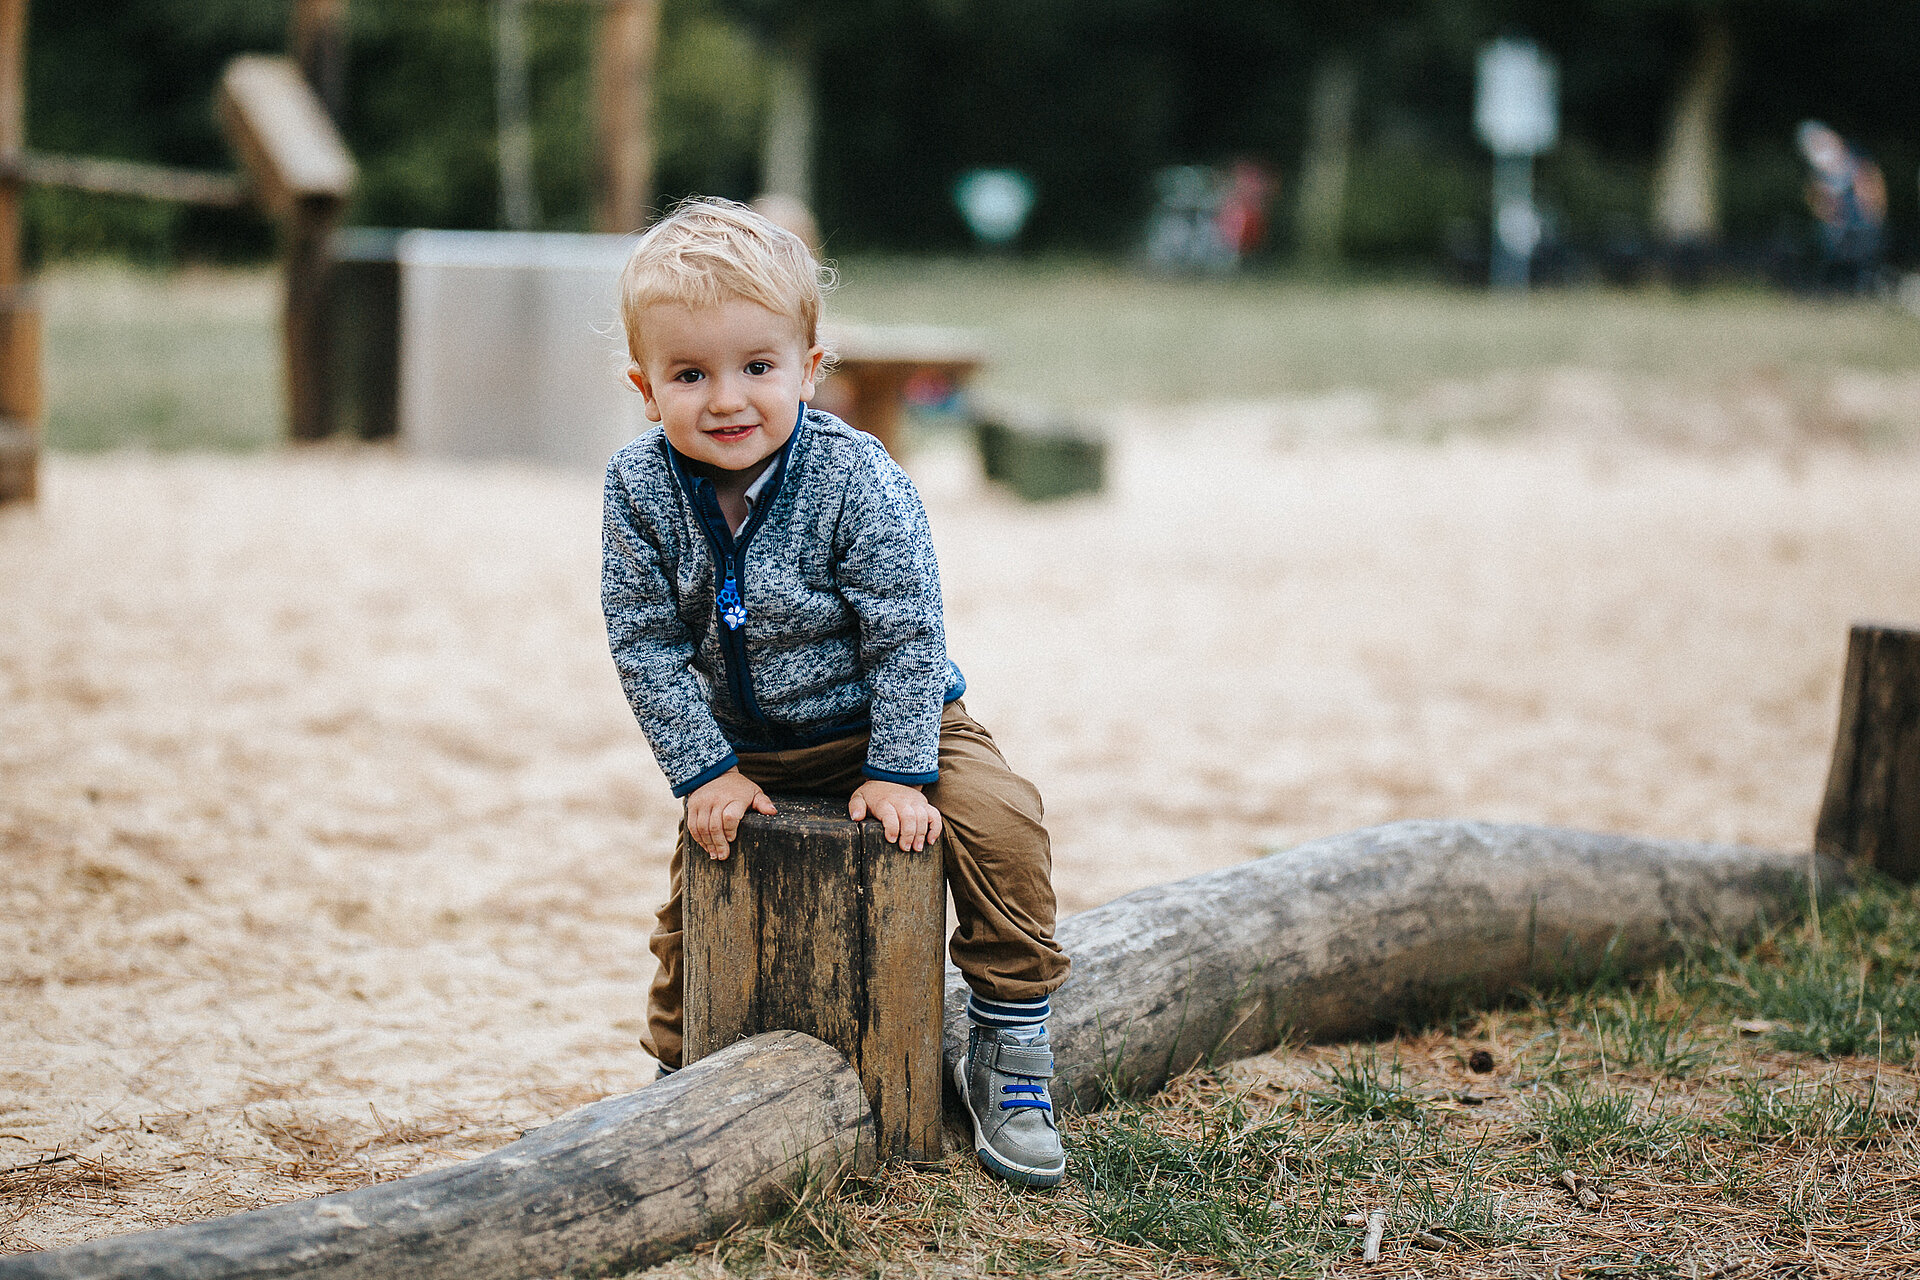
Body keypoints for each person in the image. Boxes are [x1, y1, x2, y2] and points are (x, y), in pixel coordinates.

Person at [600, 198, 1071, 1186]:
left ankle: (1012, 1040)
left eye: (757, 368)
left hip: (891, 719)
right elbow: (642, 640)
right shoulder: (638, 488)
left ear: (812, 367)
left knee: (1002, 821)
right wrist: (705, 768)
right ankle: (674, 1059)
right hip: (751, 743)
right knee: (702, 876)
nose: (728, 399)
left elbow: (906, 625)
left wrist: (903, 767)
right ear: (648, 388)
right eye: (691, 374)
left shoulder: (856, 477)